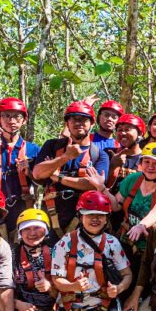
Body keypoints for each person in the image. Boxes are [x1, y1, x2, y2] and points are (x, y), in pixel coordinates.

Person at [50, 191, 133, 311]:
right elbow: (56, 280)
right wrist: (74, 286)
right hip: (73, 306)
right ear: (80, 217)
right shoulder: (65, 243)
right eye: (90, 215)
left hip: (104, 303)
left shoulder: (112, 243)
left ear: (106, 218)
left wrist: (118, 288)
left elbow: (127, 274)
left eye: (100, 216)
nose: (95, 219)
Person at [32, 101, 110, 237]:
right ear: (67, 124)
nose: (78, 123)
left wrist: (58, 177)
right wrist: (65, 157)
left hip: (82, 222)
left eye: (83, 119)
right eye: (73, 119)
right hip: (51, 217)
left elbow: (93, 185)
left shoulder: (99, 155)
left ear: (92, 124)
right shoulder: (52, 146)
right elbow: (38, 173)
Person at [0, 97, 41, 240]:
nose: (12, 120)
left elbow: (42, 181)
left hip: (22, 209)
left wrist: (29, 172)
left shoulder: (33, 149)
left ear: (24, 120)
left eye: (17, 116)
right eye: (6, 116)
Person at [106, 114, 145, 190]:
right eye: (119, 130)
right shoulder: (108, 153)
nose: (123, 133)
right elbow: (97, 181)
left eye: (127, 129)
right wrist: (112, 166)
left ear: (140, 134)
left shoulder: (147, 159)